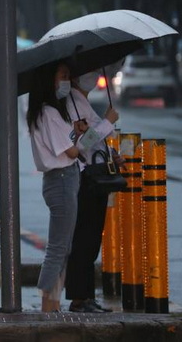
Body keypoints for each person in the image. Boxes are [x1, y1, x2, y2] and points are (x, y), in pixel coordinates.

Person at [26, 62, 87, 312]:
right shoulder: (49, 112)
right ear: (48, 79)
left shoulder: (48, 112)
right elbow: (71, 152)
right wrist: (90, 136)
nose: (67, 81)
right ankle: (47, 303)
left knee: (63, 246)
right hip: (61, 179)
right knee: (59, 247)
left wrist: (77, 133)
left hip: (63, 179)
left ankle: (52, 302)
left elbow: (67, 145)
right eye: (63, 75)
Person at [64, 70, 121, 313]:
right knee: (84, 239)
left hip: (96, 175)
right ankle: (79, 297)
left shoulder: (82, 102)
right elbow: (80, 144)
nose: (94, 76)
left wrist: (111, 155)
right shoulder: (72, 103)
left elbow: (94, 142)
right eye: (89, 72)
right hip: (85, 178)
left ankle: (87, 295)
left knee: (92, 239)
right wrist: (108, 121)